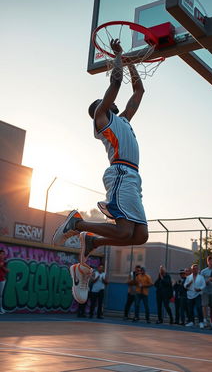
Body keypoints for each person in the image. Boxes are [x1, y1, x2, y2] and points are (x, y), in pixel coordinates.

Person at [52, 39, 148, 303]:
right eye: (103, 101)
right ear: (99, 110)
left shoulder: (124, 120)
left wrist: (130, 64)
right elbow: (115, 85)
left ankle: (94, 241)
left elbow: (138, 91)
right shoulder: (102, 119)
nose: (108, 101)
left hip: (133, 177)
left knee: (139, 236)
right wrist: (118, 55)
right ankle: (77, 223)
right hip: (120, 174)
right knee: (126, 230)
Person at [184, 264, 206, 329]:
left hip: (197, 295)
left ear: (198, 270)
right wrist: (188, 284)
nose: (195, 270)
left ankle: (201, 322)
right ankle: (191, 322)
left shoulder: (201, 277)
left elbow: (204, 285)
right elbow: (185, 285)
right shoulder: (188, 277)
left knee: (199, 308)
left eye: (196, 268)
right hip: (190, 295)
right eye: (193, 268)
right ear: (192, 269)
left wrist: (200, 289)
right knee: (190, 309)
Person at [200, 256, 212, 328]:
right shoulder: (203, 271)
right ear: (207, 262)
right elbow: (201, 282)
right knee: (204, 306)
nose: (211, 263)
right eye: (210, 262)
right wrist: (207, 281)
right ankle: (205, 320)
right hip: (205, 291)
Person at [0, 249, 9, 314]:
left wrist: (2, 266)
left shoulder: (4, 262)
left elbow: (7, 270)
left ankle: (1, 309)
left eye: (4, 254)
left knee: (0, 295)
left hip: (2, 280)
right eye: (2, 254)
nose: (3, 255)